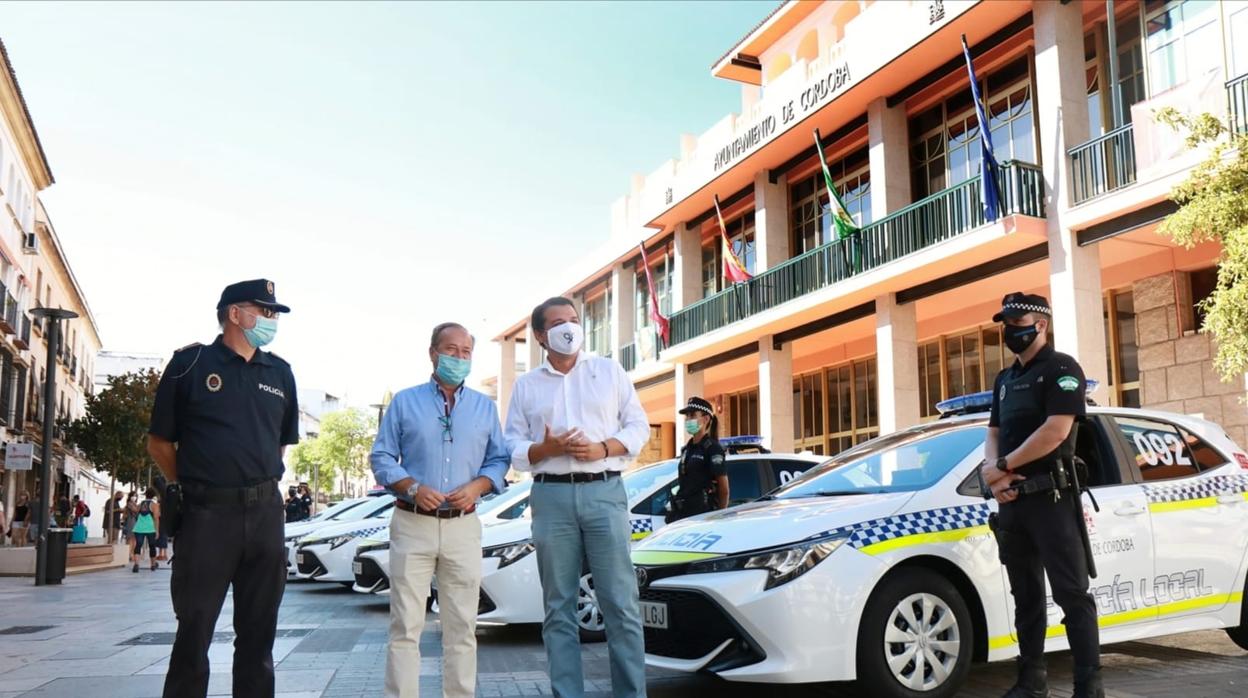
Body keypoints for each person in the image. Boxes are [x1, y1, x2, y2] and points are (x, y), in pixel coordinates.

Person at [147, 278, 299, 698]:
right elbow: (159, 442)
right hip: (207, 516)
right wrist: (199, 483)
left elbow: (280, 443)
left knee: (259, 634)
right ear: (235, 313)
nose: (270, 320)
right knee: (194, 630)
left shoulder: (280, 373)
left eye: (273, 313)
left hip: (266, 514)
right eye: (264, 311)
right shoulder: (190, 364)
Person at [504, 297, 650, 698]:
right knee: (558, 607)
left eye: (573, 320)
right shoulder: (527, 384)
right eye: (557, 323)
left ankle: (631, 693)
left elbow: (639, 425)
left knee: (620, 603)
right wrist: (543, 450)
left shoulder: (608, 371)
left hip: (604, 491)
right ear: (540, 336)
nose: (569, 328)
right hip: (550, 499)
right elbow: (510, 444)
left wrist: (604, 448)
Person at [369, 322, 510, 698]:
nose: (459, 358)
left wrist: (479, 486)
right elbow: (381, 455)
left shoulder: (484, 406)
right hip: (412, 523)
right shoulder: (404, 401)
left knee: (462, 626)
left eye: (466, 352)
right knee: (405, 625)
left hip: (464, 527)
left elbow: (499, 459)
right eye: (451, 350)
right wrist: (411, 486)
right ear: (433, 352)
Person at [978, 293, 1102, 698]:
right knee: (1026, 597)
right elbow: (993, 432)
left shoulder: (1063, 368)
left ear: (1042, 324)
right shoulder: (1005, 379)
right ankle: (1031, 681)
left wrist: (1004, 467)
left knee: (1071, 595)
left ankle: (1089, 686)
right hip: (1013, 504)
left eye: (1018, 322)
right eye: (1006, 324)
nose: (1010, 330)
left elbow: (1055, 431)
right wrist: (994, 477)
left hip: (1052, 501)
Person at [667, 397, 729, 523]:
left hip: (703, 516)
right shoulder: (687, 449)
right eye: (687, 416)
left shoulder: (712, 448)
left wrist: (719, 517)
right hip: (684, 515)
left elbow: (724, 489)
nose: (688, 419)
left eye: (693, 415)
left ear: (706, 419)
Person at [131, 487, 161, 573]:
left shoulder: (141, 504)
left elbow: (135, 510)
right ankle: (153, 565)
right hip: (150, 529)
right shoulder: (154, 505)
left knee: (138, 545)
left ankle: (136, 564)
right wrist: (157, 530)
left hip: (139, 528)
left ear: (146, 495)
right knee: (152, 546)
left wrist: (132, 503)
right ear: (153, 495)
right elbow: (156, 518)